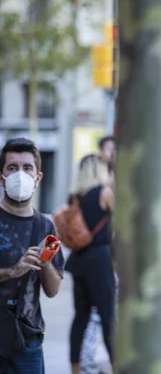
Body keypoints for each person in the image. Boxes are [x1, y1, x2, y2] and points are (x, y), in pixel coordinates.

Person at [0, 137, 65, 372]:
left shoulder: (45, 227)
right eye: (12, 167)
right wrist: (12, 271)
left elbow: (53, 290)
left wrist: (45, 263)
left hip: (28, 338)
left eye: (27, 168)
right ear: (2, 177)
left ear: (38, 178)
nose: (20, 174)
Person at [65, 154, 115, 374]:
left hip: (79, 259)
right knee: (107, 315)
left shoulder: (74, 197)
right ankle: (118, 366)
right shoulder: (104, 193)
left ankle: (75, 368)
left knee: (80, 316)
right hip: (99, 259)